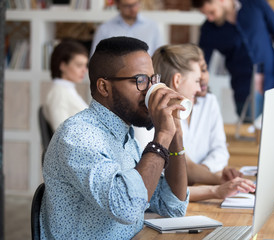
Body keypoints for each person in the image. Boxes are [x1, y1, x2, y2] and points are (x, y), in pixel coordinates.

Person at [40, 36, 189, 239]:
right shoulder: (79, 136)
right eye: (140, 81)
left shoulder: (127, 139)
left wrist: (175, 134)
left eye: (153, 80)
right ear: (104, 87)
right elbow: (127, 208)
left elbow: (172, 204)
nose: (151, 91)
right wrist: (162, 135)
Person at [152, 43, 256, 201]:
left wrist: (216, 179)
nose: (199, 87)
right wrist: (217, 184)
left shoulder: (178, 112)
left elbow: (191, 165)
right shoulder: (156, 119)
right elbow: (179, 177)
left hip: (189, 194)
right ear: (177, 80)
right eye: (196, 80)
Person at [191, 0, 274, 119]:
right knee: (248, 133)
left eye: (211, 12)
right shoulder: (208, 30)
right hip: (244, 92)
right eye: (206, 15)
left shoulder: (256, 4)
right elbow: (202, 63)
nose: (209, 18)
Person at [43, 39, 89, 132]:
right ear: (63, 66)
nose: (85, 71)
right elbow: (62, 132)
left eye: (85, 65)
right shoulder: (58, 93)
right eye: (79, 65)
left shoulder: (67, 90)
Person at [90, 0, 164, 56]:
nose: (133, 9)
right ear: (117, 4)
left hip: (146, 74)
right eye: (127, 6)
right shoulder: (105, 29)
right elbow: (96, 58)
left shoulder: (153, 27)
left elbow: (160, 56)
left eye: (136, 4)